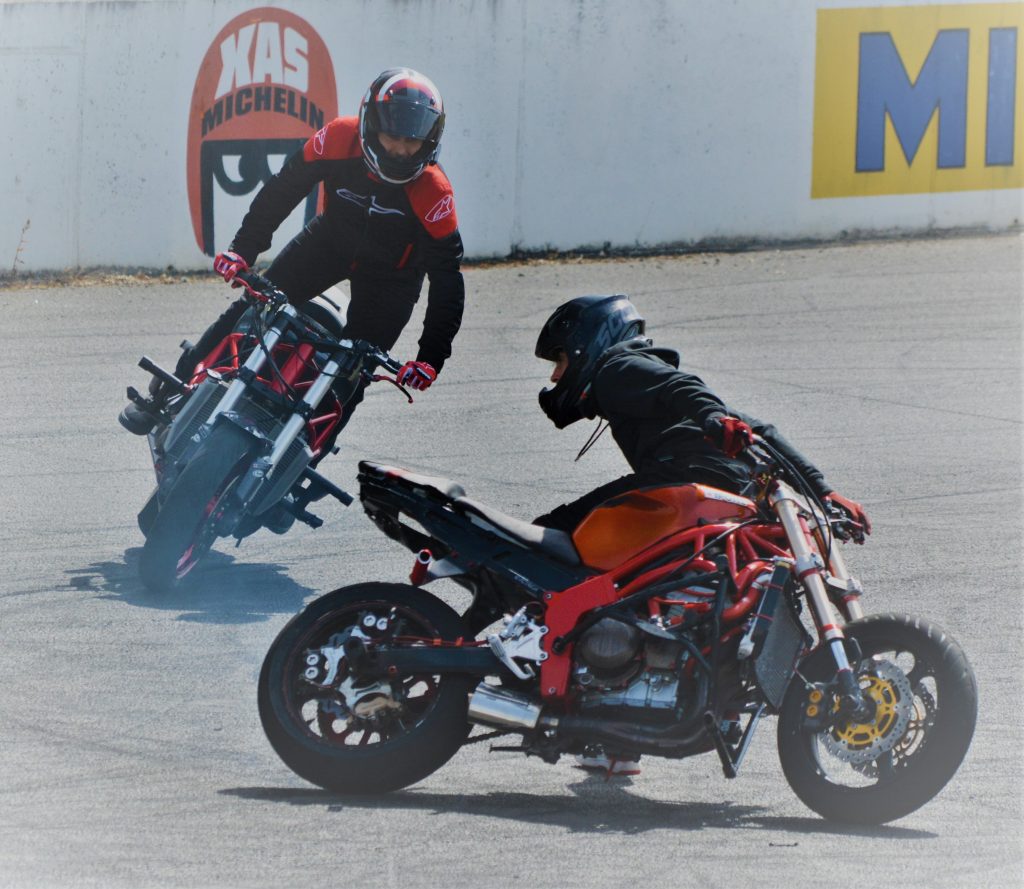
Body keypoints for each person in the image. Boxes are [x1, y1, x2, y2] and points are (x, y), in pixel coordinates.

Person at [532, 294, 871, 776]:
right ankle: (616, 724)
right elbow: (761, 429)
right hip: (729, 493)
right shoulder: (632, 374)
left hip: (685, 479)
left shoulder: (617, 367)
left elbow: (681, 385)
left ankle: (561, 682)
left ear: (589, 343)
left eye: (560, 359)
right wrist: (824, 490)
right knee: (641, 588)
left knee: (544, 543)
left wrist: (713, 418)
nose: (554, 376)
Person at [121, 67, 465, 437]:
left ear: (429, 141)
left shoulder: (434, 192)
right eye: (392, 136)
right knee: (252, 307)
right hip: (329, 243)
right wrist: (243, 251)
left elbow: (447, 278)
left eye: (411, 142)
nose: (399, 150)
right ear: (370, 124)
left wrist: (431, 357)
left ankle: (301, 460)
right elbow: (283, 189)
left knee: (355, 370)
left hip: (392, 277)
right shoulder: (337, 137)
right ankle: (169, 393)